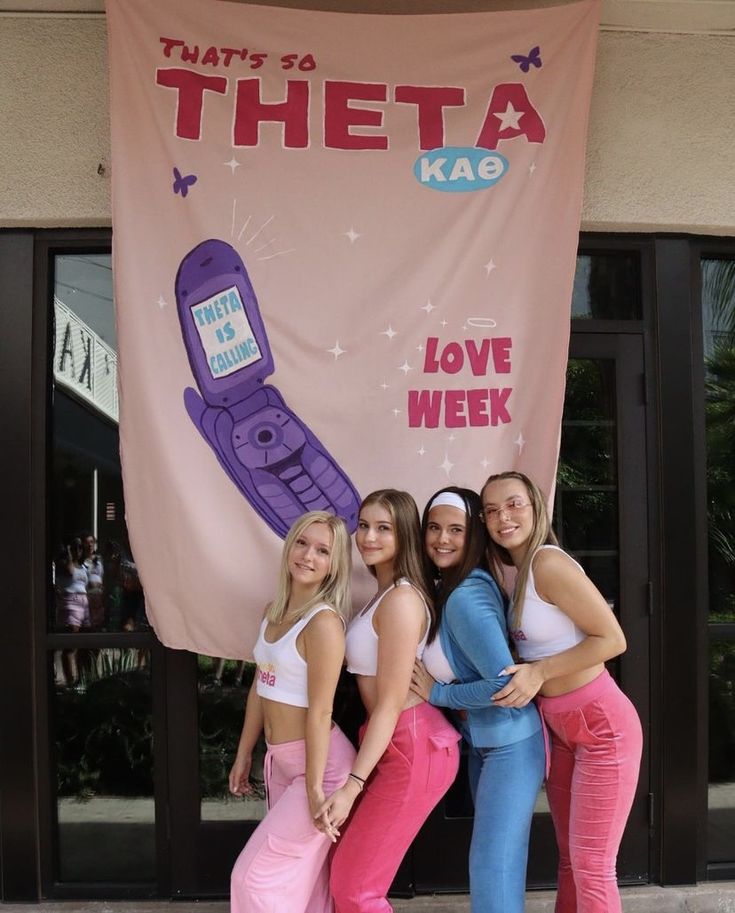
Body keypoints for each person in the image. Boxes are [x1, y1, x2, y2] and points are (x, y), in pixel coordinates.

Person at [481, 471, 642, 913]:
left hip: (601, 726)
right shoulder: (518, 574)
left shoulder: (548, 563)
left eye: (513, 504)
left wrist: (538, 673)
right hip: (562, 729)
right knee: (572, 862)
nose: (503, 517)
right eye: (492, 510)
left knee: (592, 865)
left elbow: (612, 639)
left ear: (536, 506)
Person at [321, 489, 460, 913]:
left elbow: (390, 703)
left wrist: (353, 785)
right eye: (363, 525)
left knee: (356, 888)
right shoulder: (382, 595)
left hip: (414, 746)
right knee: (345, 874)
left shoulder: (401, 599)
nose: (369, 536)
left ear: (404, 536)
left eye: (384, 528)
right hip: (392, 742)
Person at [410, 487, 545, 913]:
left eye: (457, 530)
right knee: (496, 865)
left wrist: (438, 693)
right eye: (434, 528)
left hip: (510, 745)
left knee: (493, 867)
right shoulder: (451, 587)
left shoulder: (467, 595)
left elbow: (503, 685)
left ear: (475, 538)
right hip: (484, 744)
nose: (442, 539)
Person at [229, 510, 356, 913]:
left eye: (322, 551)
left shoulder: (324, 624)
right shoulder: (273, 610)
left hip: (320, 768)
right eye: (302, 543)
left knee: (253, 878)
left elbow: (320, 712)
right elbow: (259, 684)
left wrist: (316, 788)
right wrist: (244, 751)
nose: (308, 556)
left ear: (334, 565)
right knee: (305, 884)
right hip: (281, 760)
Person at [82, 532, 105, 629]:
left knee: (99, 619)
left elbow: (103, 575)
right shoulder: (82, 560)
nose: (90, 545)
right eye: (87, 542)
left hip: (99, 593)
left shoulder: (99, 559)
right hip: (88, 594)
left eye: (92, 542)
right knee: (89, 620)